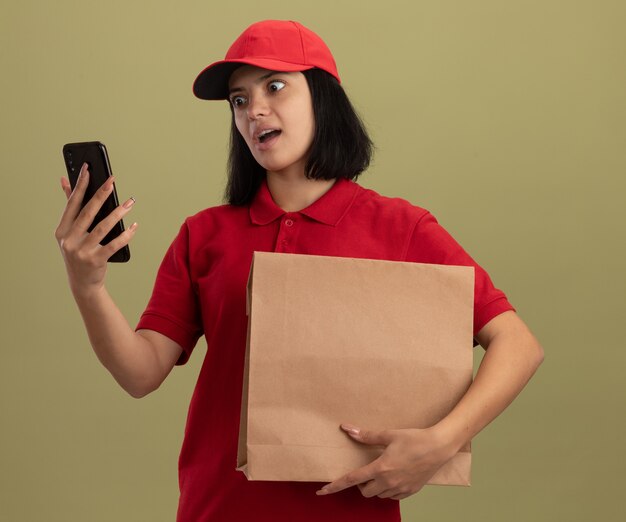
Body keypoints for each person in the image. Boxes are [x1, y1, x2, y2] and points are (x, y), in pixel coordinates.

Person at [55, 19, 544, 522]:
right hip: (216, 509)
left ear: (323, 98)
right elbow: (140, 374)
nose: (254, 110)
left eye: (275, 86)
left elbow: (518, 344)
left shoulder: (401, 227)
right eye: (239, 100)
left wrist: (443, 441)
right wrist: (87, 285)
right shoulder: (204, 236)